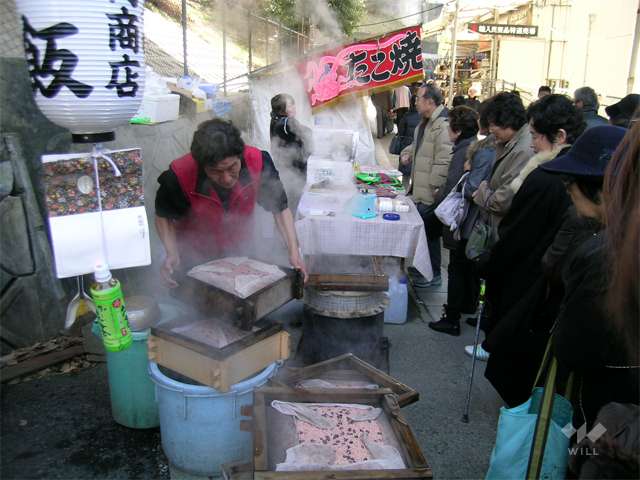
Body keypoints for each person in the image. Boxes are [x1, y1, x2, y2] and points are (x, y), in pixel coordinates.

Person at [480, 94, 586, 403]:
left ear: (560, 136)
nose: (533, 143)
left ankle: (526, 417)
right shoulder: (576, 173)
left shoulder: (547, 177)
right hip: (555, 285)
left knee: (519, 359)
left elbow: (516, 236)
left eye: (537, 136)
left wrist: (489, 264)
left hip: (531, 282)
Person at [539, 125, 638, 430]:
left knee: (588, 453)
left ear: (601, 186)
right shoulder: (616, 243)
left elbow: (572, 346)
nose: (567, 189)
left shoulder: (604, 255)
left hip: (603, 406)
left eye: (571, 181)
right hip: (622, 402)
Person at [155, 119, 307, 287]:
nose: (226, 178)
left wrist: (293, 252)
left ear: (239, 154)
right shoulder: (179, 175)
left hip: (241, 249)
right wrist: (171, 252)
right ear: (201, 165)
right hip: (195, 253)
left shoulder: (258, 162)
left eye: (232, 167)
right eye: (215, 171)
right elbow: (164, 215)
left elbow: (280, 208)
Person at [428, 106, 480, 335]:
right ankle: (468, 306)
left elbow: (453, 187)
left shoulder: (463, 152)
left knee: (457, 267)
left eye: (450, 126)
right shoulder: (475, 146)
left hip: (460, 219)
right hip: (469, 220)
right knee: (466, 266)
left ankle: (452, 318)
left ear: (457, 130)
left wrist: (438, 199)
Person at [400, 83, 452, 287]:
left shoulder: (443, 124)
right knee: (424, 232)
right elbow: (419, 145)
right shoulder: (425, 122)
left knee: (430, 233)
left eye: (418, 98)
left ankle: (433, 274)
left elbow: (444, 159)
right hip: (418, 188)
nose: (415, 101)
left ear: (430, 101)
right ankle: (423, 269)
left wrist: (434, 187)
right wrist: (408, 152)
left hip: (430, 191)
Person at [270, 93, 312, 212]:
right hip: (294, 169)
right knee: (296, 201)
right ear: (281, 109)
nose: (294, 107)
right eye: (290, 105)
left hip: (285, 169)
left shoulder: (276, 119)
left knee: (289, 200)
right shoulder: (286, 122)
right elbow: (306, 134)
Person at [396, 95, 421, 182]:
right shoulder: (425, 118)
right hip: (418, 148)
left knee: (404, 172)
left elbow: (400, 131)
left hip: (406, 145)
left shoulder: (406, 116)